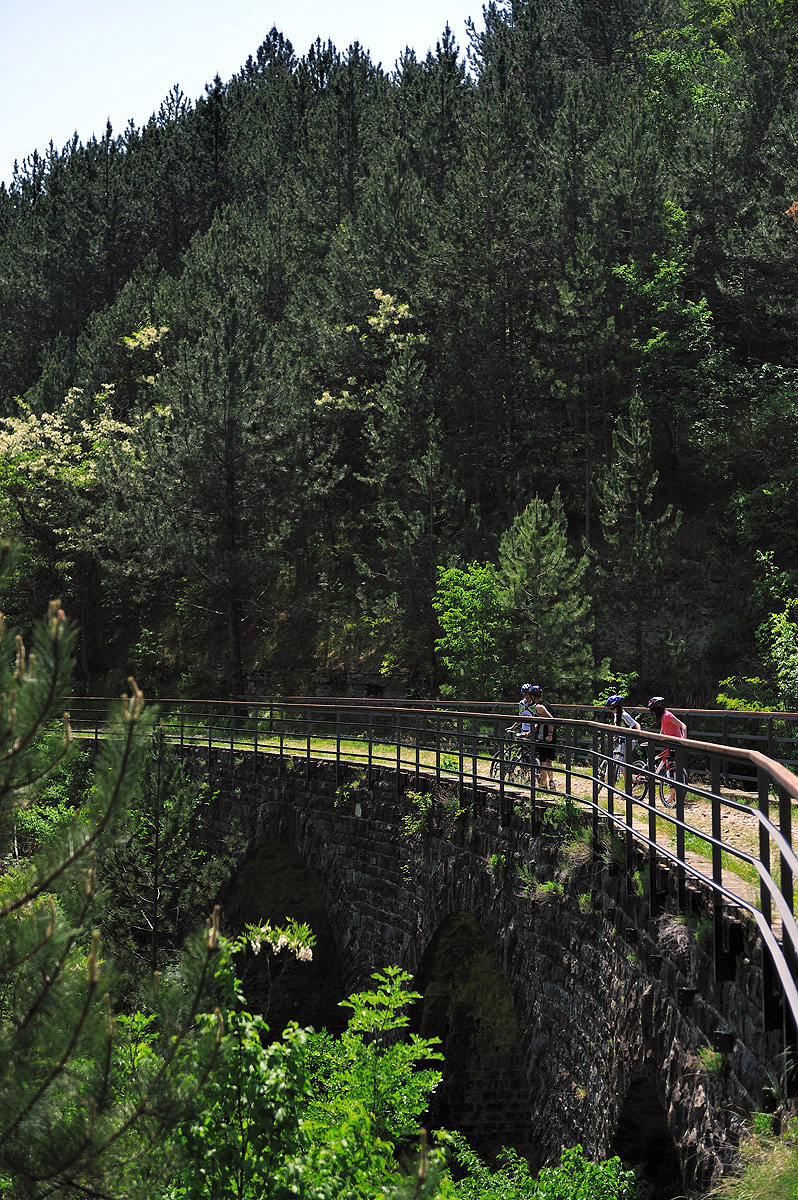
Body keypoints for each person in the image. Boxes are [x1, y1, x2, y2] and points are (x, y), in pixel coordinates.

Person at [647, 695, 687, 805]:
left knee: (675, 769)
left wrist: (683, 740)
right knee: (669, 768)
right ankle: (674, 795)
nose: (653, 713)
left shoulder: (668, 715)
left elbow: (682, 725)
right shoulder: (662, 717)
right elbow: (663, 730)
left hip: (676, 743)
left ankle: (678, 795)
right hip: (668, 743)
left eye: (653, 711)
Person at [531, 684, 556, 790]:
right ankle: (550, 782)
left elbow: (551, 719)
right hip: (550, 736)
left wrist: (549, 734)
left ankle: (543, 784)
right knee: (548, 760)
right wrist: (530, 732)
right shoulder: (547, 704)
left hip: (545, 737)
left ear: (533, 696)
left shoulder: (539, 707)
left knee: (542, 761)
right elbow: (541, 721)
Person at [605, 694, 641, 765]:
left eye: (612, 708)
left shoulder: (624, 715)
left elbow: (636, 724)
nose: (611, 710)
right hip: (621, 740)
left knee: (622, 764)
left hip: (628, 741)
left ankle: (627, 776)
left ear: (617, 707)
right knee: (616, 758)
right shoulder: (616, 715)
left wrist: (638, 735)